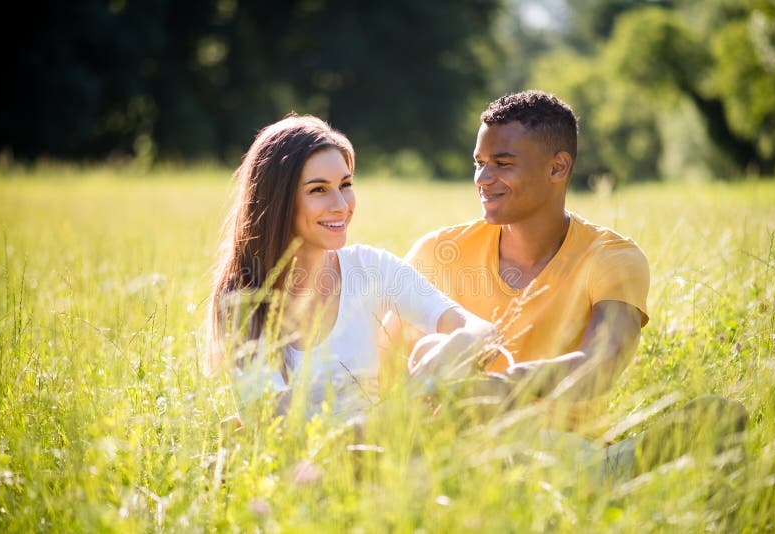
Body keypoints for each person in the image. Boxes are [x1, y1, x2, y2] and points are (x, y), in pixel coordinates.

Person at [386, 90, 650, 434]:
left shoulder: (612, 257)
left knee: (718, 415)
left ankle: (624, 461)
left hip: (565, 453)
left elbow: (602, 363)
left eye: (503, 164)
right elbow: (380, 355)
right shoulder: (439, 250)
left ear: (557, 168)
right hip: (448, 445)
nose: (482, 179)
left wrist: (498, 389)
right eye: (480, 163)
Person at [206, 114, 497, 419]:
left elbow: (483, 331)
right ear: (278, 201)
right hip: (312, 458)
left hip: (384, 449)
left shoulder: (369, 267)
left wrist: (450, 351)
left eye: (345, 185)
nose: (341, 205)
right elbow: (272, 423)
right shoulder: (243, 296)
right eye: (318, 190)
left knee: (440, 349)